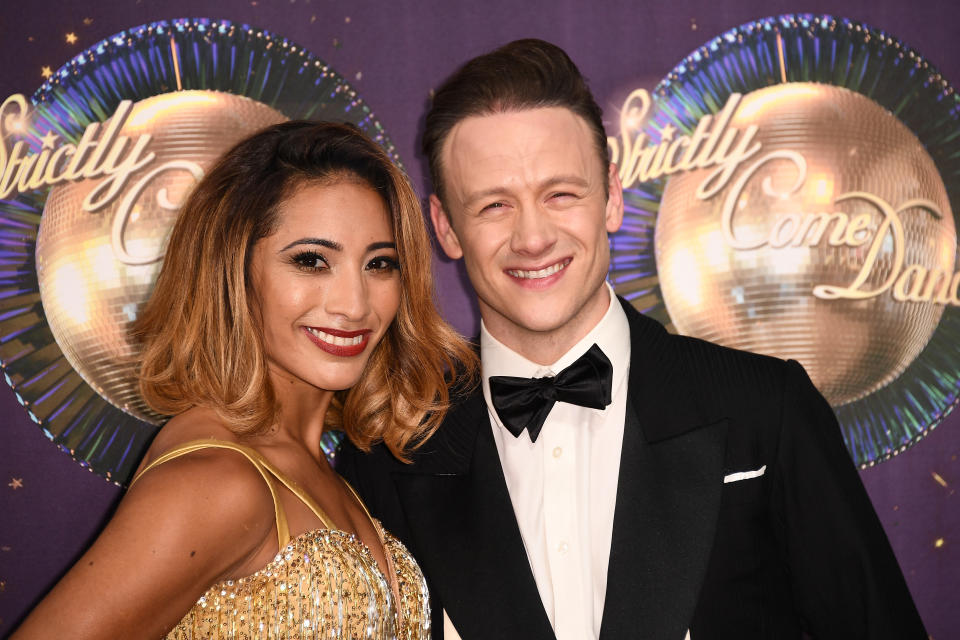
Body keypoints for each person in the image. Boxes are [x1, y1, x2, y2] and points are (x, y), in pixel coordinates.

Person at [336, 39, 928, 640]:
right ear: (445, 227)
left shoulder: (764, 410)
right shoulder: (393, 451)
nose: (533, 237)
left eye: (560, 194)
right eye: (494, 205)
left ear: (613, 197)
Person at [13, 120, 476, 639]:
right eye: (311, 260)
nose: (354, 305)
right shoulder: (217, 478)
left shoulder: (323, 468)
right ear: (235, 270)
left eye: (380, 264)